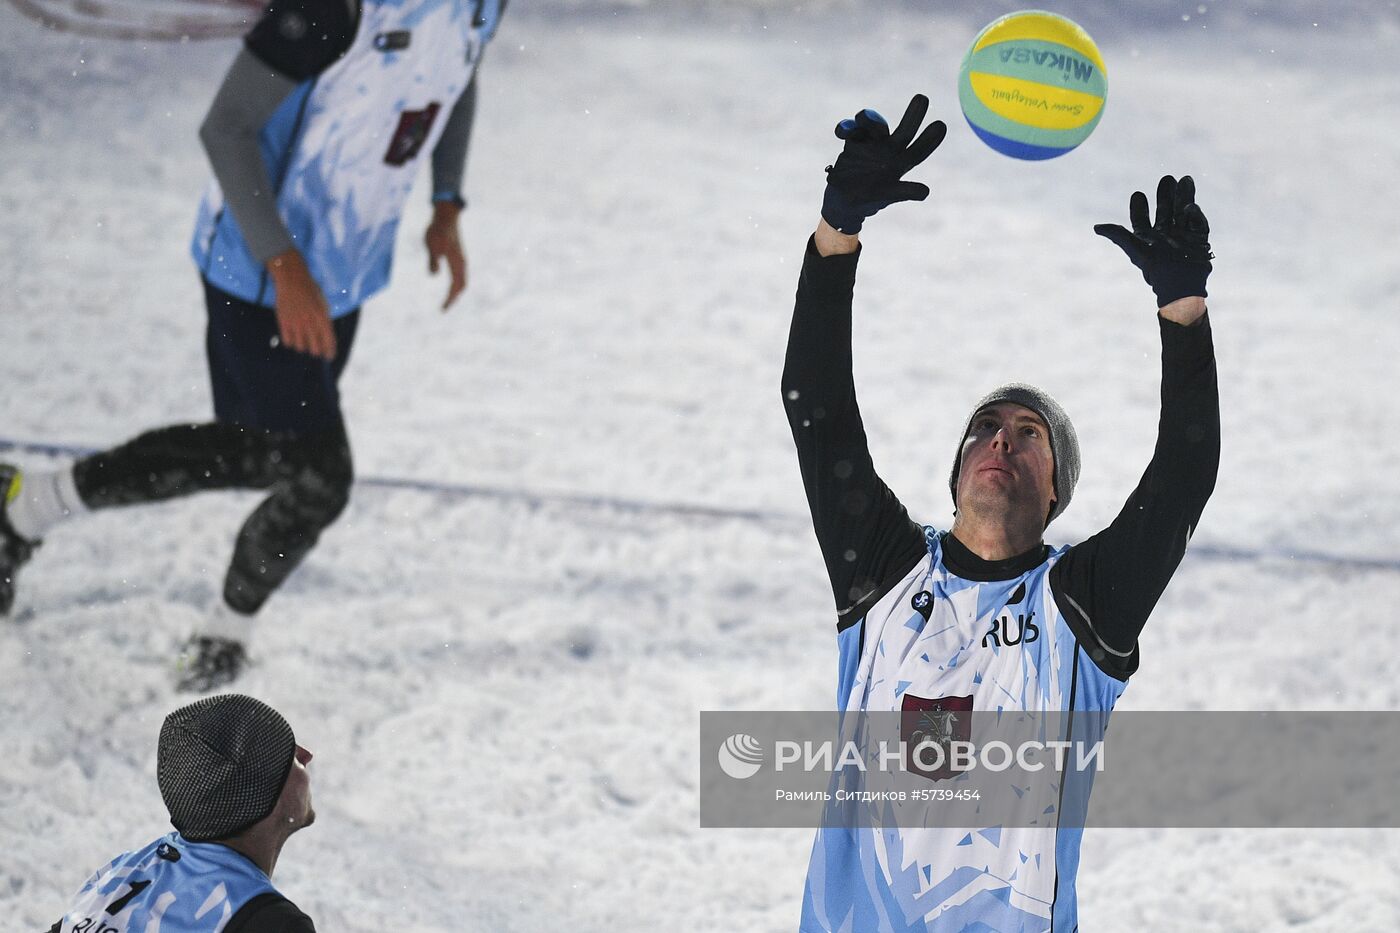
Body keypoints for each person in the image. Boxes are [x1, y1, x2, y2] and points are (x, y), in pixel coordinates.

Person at [782, 95, 1219, 931]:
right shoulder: (882, 571)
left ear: (1057, 489)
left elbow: (1182, 476)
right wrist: (835, 234)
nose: (1001, 441)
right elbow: (817, 409)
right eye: (985, 426)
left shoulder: (1083, 605)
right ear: (954, 474)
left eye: (1029, 433)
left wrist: (1184, 313)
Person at [0, 0, 508, 690]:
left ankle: (25, 505)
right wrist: (283, 263)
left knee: (259, 451)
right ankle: (224, 628)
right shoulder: (337, 7)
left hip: (342, 273)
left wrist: (447, 201)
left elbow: (456, 74)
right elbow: (226, 128)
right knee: (318, 475)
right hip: (260, 271)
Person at [48, 694, 317, 932]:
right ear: (263, 793)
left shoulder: (121, 875)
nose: (306, 755)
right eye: (290, 756)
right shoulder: (272, 923)